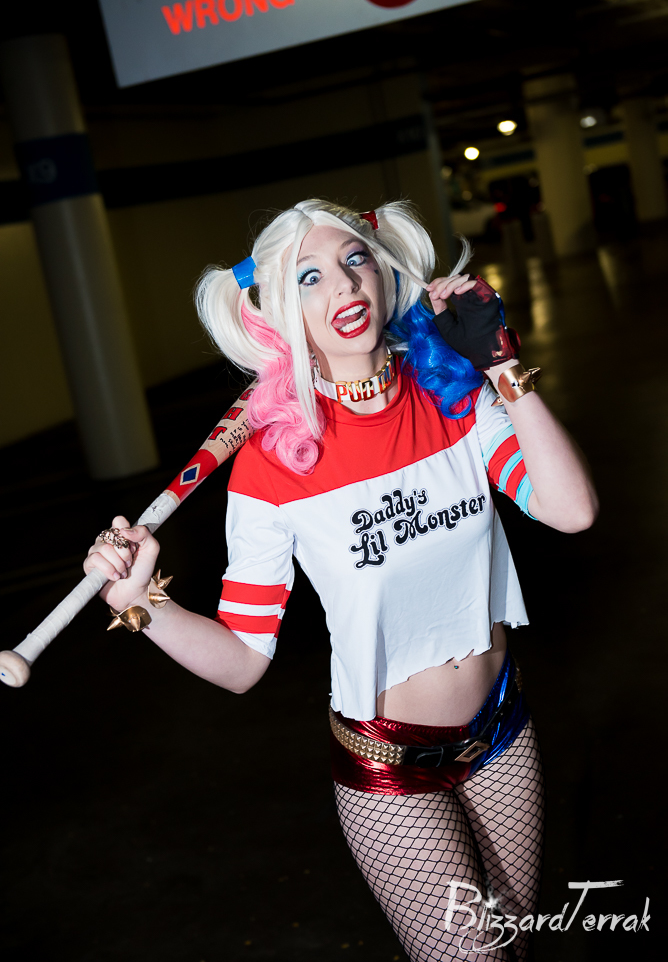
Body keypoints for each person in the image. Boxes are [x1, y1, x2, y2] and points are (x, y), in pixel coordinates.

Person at [84, 199, 597, 961]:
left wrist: (499, 366)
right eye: (310, 277)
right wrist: (143, 604)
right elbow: (242, 662)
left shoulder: (452, 396)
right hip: (389, 767)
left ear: (385, 274)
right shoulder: (270, 465)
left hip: (502, 728)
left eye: (355, 260)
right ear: (281, 313)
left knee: (517, 948)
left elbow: (571, 510)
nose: (344, 286)